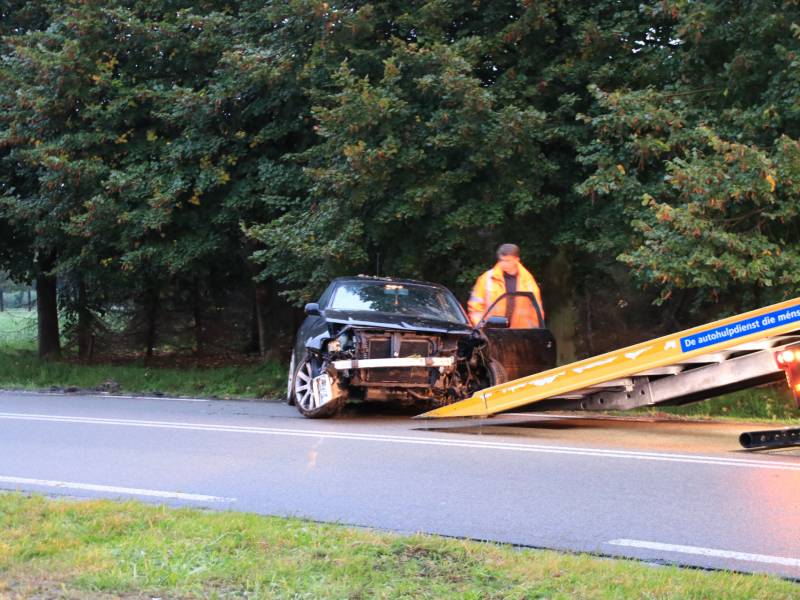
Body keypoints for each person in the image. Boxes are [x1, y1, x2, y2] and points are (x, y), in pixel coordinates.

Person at [467, 243, 545, 328]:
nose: (503, 264)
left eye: (507, 261)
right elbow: (475, 307)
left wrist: (533, 334)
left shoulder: (528, 282)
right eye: (501, 260)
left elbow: (537, 312)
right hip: (492, 333)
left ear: (517, 260)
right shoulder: (486, 279)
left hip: (519, 334)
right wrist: (481, 328)